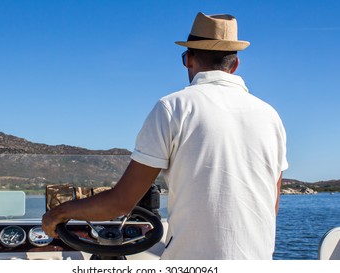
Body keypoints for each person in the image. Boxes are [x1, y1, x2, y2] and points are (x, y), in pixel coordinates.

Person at [42, 12, 288, 259]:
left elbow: (119, 203)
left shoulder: (173, 108)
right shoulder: (271, 116)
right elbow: (271, 207)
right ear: (234, 65)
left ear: (188, 59)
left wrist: (58, 214)